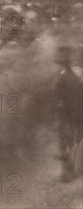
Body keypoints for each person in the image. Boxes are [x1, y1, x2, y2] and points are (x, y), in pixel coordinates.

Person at [53, 45, 83, 181]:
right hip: (72, 113)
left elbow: (61, 99)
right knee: (70, 142)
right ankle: (70, 171)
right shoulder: (73, 76)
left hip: (66, 114)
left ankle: (67, 173)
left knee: (66, 142)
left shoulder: (64, 78)